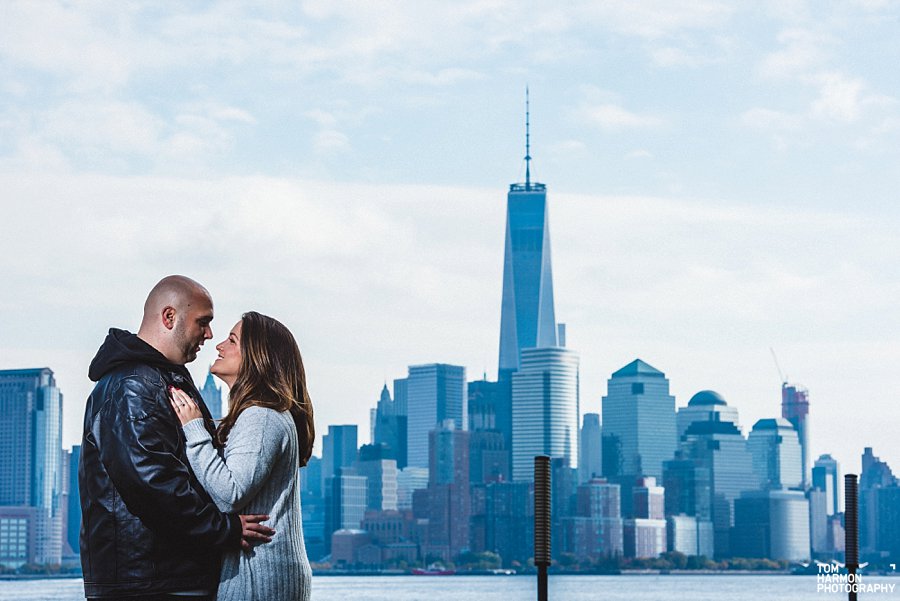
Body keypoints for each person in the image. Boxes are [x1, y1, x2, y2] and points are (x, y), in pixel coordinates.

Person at [79, 275, 275, 601]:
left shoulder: (159, 379)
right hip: (150, 585)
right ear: (169, 317)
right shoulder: (133, 387)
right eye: (203, 322)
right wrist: (225, 529)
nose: (209, 335)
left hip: (164, 579)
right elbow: (153, 485)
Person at [169, 311, 315, 601]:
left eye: (232, 340)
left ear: (258, 358)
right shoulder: (263, 415)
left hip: (258, 576)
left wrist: (194, 429)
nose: (219, 345)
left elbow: (230, 493)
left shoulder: (261, 416)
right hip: (266, 573)